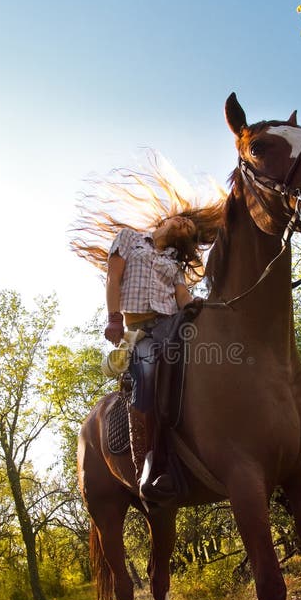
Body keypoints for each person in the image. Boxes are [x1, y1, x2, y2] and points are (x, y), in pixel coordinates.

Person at [104, 215, 199, 506]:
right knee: (147, 372)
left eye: (190, 229)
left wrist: (199, 307)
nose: (185, 222)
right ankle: (147, 466)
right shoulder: (130, 239)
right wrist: (113, 318)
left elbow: (182, 295)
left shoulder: (175, 264)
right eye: (182, 219)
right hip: (140, 329)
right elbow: (114, 277)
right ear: (165, 220)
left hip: (171, 326)